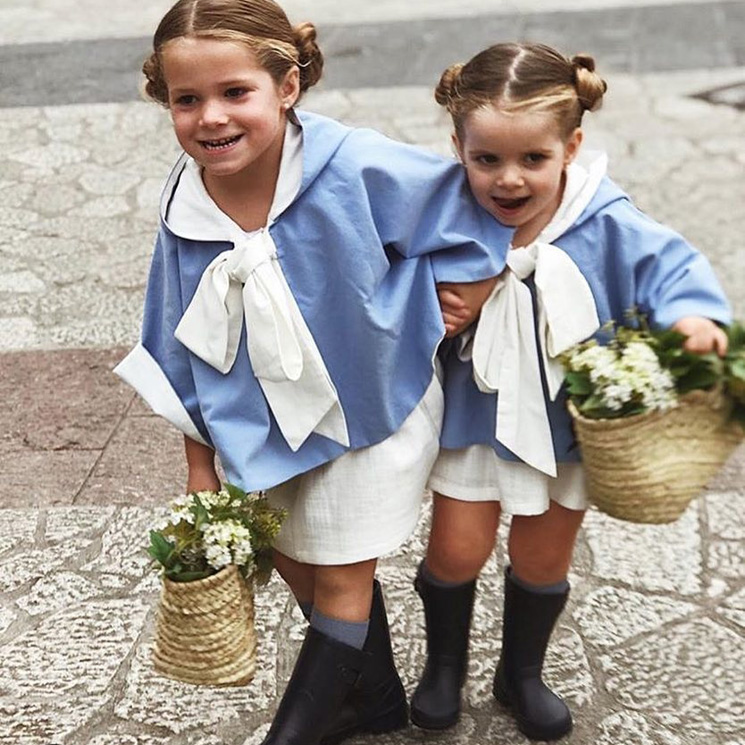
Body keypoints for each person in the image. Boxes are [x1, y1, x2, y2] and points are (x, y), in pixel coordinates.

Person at [113, 1, 510, 744]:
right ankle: (378, 696)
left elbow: (470, 202)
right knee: (295, 558)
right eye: (186, 100)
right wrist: (199, 463)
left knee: (338, 574)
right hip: (258, 414)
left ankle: (292, 730)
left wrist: (475, 283)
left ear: (287, 87)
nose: (210, 118)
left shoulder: (353, 163)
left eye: (236, 92)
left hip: (370, 401)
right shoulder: (183, 201)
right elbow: (177, 340)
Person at [411, 42, 731, 741]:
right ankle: (442, 666)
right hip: (475, 412)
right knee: (456, 547)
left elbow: (666, 265)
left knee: (541, 553)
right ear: (456, 146)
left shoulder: (603, 218)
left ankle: (521, 672)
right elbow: (389, 276)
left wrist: (693, 318)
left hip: (562, 424)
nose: (508, 180)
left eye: (533, 159)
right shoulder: (441, 213)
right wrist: (431, 311)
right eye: (485, 159)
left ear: (571, 145)